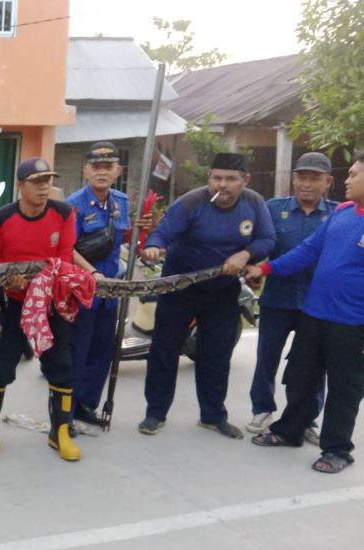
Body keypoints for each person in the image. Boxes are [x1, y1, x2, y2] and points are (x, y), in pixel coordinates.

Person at [138, 152, 274, 438]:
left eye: (230, 179)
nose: (221, 185)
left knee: (216, 354)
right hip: (180, 288)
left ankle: (212, 416)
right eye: (216, 178)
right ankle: (155, 413)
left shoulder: (254, 203)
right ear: (209, 178)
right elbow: (162, 233)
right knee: (164, 351)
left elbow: (266, 239)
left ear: (244, 180)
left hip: (222, 291)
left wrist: (246, 253)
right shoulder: (191, 202)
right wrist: (154, 246)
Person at [246, 151, 364, 474]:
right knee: (301, 377)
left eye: (354, 174)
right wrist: (267, 267)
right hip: (314, 315)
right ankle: (289, 430)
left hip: (352, 325)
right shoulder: (342, 213)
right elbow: (308, 251)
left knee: (344, 387)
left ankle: (337, 449)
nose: (347, 179)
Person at [0, 157, 81, 461]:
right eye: (36, 181)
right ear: (20, 185)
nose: (44, 187)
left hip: (53, 303)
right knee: (2, 365)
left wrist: (45, 283)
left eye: (47, 180)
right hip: (16, 303)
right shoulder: (0, 218)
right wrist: (11, 277)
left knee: (62, 366)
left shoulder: (63, 213)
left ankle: (59, 432)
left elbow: (64, 257)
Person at [245, 152, 337, 442]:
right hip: (277, 300)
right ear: (293, 178)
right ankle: (262, 408)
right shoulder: (273, 209)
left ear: (328, 182)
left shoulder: (338, 213)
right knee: (267, 358)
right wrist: (256, 269)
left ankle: (308, 418)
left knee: (313, 366)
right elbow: (260, 246)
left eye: (315, 178)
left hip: (316, 304)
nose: (306, 184)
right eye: (301, 177)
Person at [66, 142, 151, 425]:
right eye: (95, 167)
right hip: (83, 290)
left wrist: (141, 231)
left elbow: (121, 240)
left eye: (107, 167)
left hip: (111, 292)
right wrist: (91, 273)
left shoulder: (121, 202)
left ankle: (87, 405)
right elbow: (67, 249)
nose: (101, 172)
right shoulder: (74, 205)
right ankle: (65, 409)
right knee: (78, 351)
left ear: (118, 170)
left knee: (103, 349)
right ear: (86, 170)